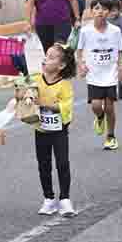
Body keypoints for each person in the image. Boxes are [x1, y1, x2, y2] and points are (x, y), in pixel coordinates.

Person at [33, 43, 77, 217]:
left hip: (59, 129)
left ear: (61, 65)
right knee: (43, 164)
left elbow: (66, 105)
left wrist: (47, 106)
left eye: (51, 58)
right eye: (46, 56)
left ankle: (65, 199)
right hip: (41, 129)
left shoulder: (64, 85)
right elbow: (25, 94)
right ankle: (48, 198)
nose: (46, 60)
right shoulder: (36, 79)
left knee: (62, 163)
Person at [77, 0, 122, 151]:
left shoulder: (115, 31)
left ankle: (111, 136)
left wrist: (121, 68)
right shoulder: (85, 31)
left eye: (104, 9)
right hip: (94, 74)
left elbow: (119, 51)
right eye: (96, 8)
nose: (100, 12)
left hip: (110, 73)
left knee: (109, 107)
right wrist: (81, 65)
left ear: (109, 12)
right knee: (97, 105)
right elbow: (79, 52)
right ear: (91, 12)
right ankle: (99, 117)